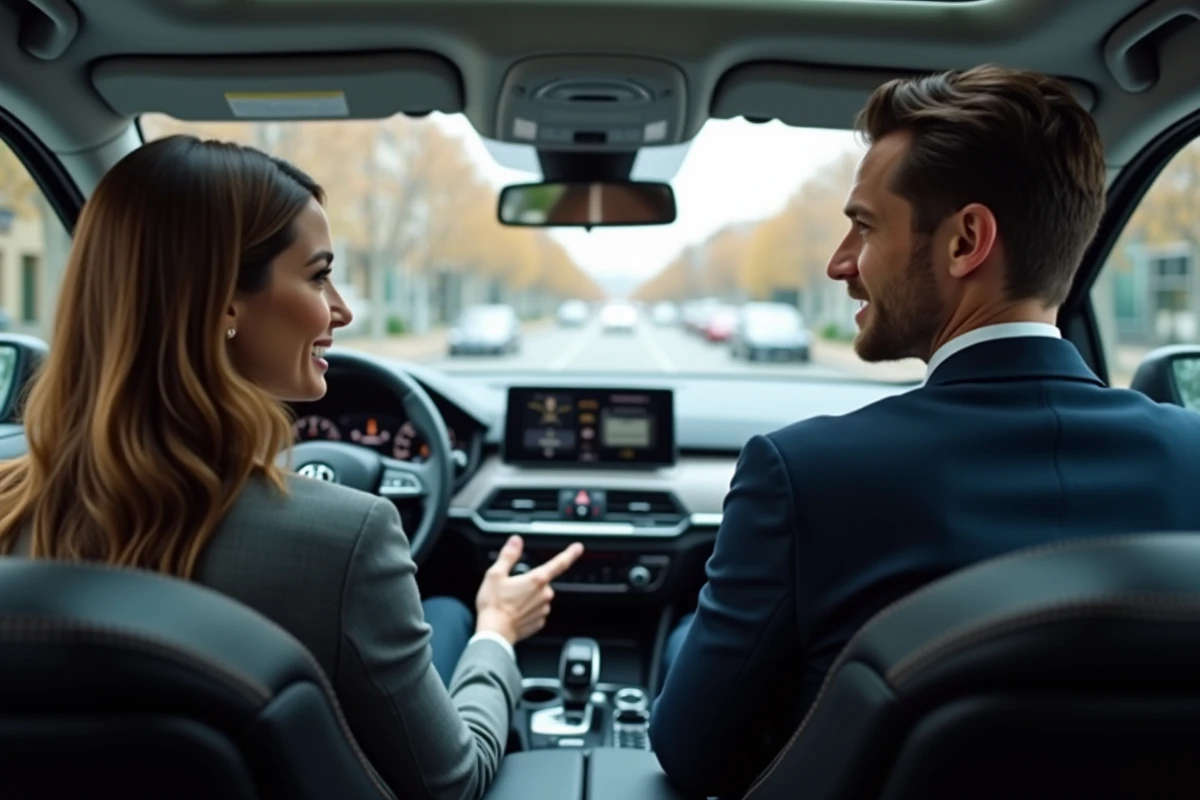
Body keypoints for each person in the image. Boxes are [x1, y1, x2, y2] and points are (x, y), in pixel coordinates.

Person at [648, 64, 1200, 797]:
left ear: (966, 240)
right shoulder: (1192, 457)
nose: (839, 263)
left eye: (864, 226)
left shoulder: (805, 474)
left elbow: (693, 755)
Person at [0, 134, 584, 800]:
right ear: (224, 300)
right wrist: (499, 635)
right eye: (317, 275)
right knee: (454, 612)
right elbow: (451, 785)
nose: (342, 309)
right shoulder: (343, 539)